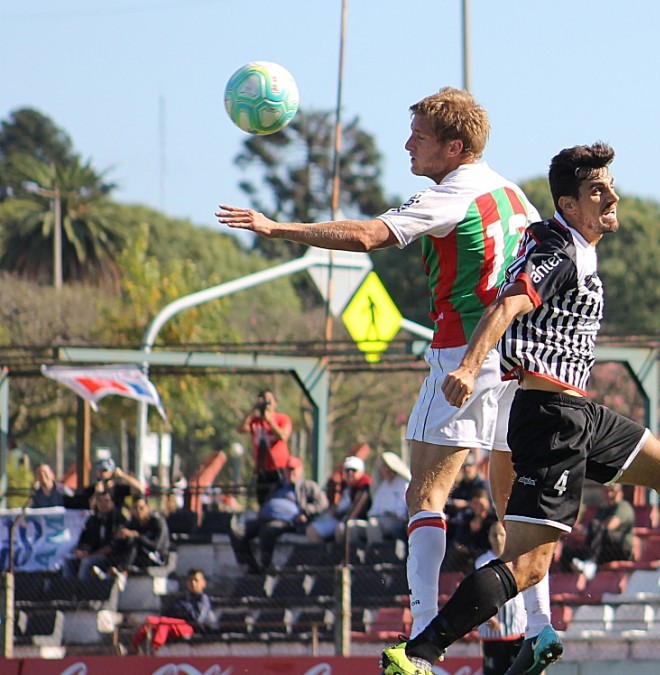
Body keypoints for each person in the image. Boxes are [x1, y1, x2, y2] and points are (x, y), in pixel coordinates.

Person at [379, 142, 660, 675]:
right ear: (569, 204)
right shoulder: (557, 252)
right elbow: (509, 302)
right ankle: (420, 651)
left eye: (611, 184)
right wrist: (470, 366)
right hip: (551, 420)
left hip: (578, 412)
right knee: (527, 565)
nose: (611, 197)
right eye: (596, 191)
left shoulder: (577, 243)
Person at [216, 87, 557, 673]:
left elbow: (367, 236)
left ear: (454, 147)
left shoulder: (451, 194)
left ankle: (422, 636)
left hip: (462, 358)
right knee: (512, 503)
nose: (407, 145)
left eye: (418, 137)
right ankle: (537, 627)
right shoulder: (515, 195)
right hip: (521, 362)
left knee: (425, 494)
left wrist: (276, 230)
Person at [229, 456, 327, 574]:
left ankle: (265, 566)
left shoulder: (307, 486)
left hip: (288, 521)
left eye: (293, 469)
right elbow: (269, 500)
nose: (290, 472)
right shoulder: (279, 485)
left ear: (300, 470)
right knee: (237, 532)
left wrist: (306, 512)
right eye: (287, 469)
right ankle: (250, 566)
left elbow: (323, 503)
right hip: (265, 518)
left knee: (268, 530)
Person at [475, 521, 527, 675]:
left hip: (517, 629)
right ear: (489, 538)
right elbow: (477, 593)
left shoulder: (517, 559)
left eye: (501, 534)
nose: (498, 538)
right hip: (493, 634)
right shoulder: (482, 563)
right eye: (494, 535)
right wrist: (487, 617)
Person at [561, 483, 637, 580]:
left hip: (621, 549)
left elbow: (610, 526)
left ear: (620, 492)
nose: (609, 494)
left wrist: (588, 531)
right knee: (568, 552)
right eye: (606, 491)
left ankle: (591, 563)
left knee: (596, 527)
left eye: (612, 491)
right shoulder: (603, 509)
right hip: (601, 548)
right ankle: (566, 582)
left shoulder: (623, 507)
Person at [129, 568, 214, 654]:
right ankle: (133, 647)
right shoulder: (183, 599)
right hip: (175, 624)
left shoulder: (203, 599)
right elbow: (167, 613)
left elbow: (197, 619)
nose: (193, 583)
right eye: (190, 580)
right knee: (151, 621)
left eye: (196, 580)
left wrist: (183, 609)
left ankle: (155, 649)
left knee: (165, 623)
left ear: (203, 583)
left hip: (191, 627)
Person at [237, 389, 293, 506]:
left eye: (269, 400)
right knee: (262, 502)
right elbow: (240, 429)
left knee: (280, 499)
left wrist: (269, 421)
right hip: (262, 469)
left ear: (275, 403)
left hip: (280, 468)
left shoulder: (282, 418)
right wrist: (252, 410)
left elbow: (283, 436)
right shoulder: (255, 421)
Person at [348, 452, 411, 549]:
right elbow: (374, 509)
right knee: (351, 526)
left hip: (396, 522)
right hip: (378, 520)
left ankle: (377, 556)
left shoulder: (403, 484)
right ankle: (355, 558)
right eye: (383, 467)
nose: (385, 470)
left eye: (387, 467)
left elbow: (401, 511)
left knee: (373, 525)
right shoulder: (383, 486)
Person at [307, 455, 372, 543]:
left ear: (361, 472)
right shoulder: (344, 487)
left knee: (341, 529)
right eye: (347, 470)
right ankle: (321, 555)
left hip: (354, 520)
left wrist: (345, 520)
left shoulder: (364, 487)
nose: (350, 473)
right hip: (338, 518)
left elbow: (357, 509)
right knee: (312, 529)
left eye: (354, 470)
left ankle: (340, 556)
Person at [65, 491, 128, 581]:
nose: (103, 504)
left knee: (86, 562)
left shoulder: (118, 519)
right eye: (100, 501)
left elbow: (113, 546)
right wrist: (81, 550)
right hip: (93, 553)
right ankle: (70, 589)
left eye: (106, 501)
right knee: (69, 561)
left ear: (112, 502)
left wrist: (90, 555)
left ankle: (83, 591)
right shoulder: (94, 519)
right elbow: (85, 538)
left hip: (111, 557)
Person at [444, 486, 499, 572]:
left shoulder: (493, 519)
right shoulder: (467, 518)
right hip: (468, 554)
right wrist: (471, 531)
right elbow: (458, 541)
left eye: (480, 504)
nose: (477, 507)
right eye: (474, 503)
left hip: (488, 553)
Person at [114, 495, 171, 574]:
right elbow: (124, 529)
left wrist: (138, 536)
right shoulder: (134, 522)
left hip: (157, 557)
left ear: (147, 508)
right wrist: (121, 532)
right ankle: (115, 569)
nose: (138, 511)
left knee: (133, 540)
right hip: (140, 556)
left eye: (141, 508)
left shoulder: (157, 522)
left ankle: (123, 569)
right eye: (135, 508)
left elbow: (157, 546)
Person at [446, 451, 486, 518]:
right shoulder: (461, 485)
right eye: (464, 466)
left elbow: (487, 506)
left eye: (469, 466)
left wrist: (466, 504)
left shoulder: (482, 485)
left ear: (475, 467)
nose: (467, 469)